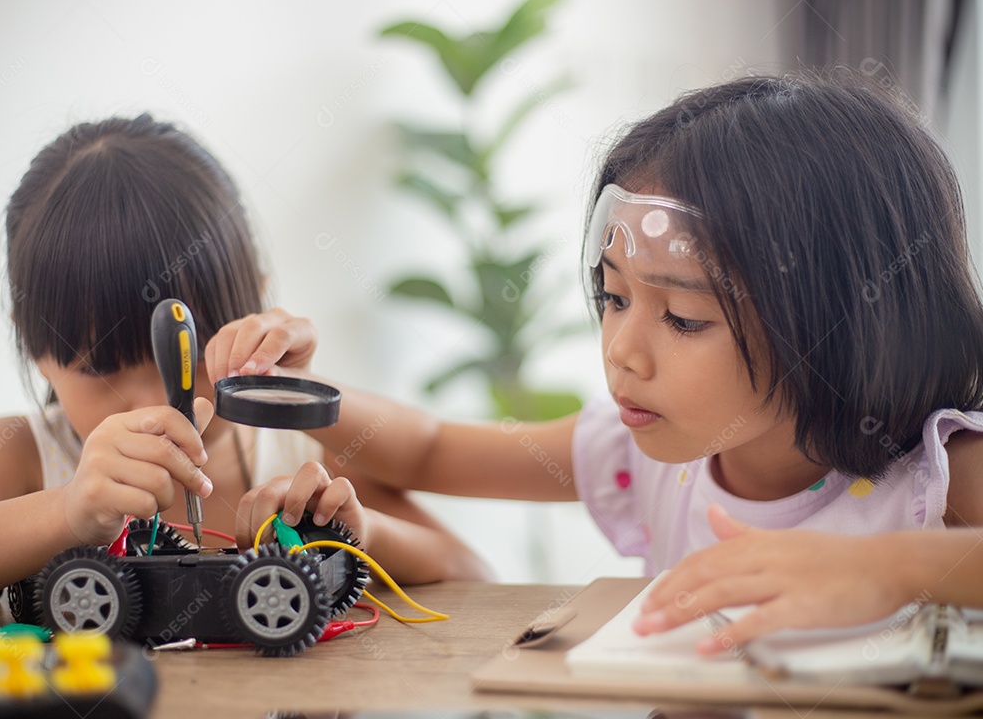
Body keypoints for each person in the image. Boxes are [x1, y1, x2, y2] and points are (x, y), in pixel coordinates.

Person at [218, 71, 983, 647]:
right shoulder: (647, 455)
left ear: (846, 318)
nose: (621, 350)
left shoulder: (938, 474)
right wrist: (287, 388)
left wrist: (893, 568)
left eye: (682, 318)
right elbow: (429, 449)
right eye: (614, 299)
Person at [0, 114, 489, 618]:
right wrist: (67, 510)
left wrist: (356, 540)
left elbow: (476, 581)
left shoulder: (304, 456)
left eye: (186, 356)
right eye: (96, 366)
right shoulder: (24, 457)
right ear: (33, 347)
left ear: (257, 311)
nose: (153, 403)